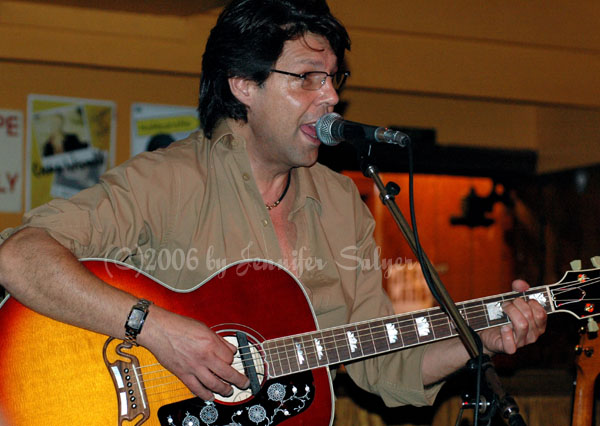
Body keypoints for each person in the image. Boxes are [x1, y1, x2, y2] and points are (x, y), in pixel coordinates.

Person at [0, 0, 546, 415]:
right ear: (243, 85)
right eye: (307, 77)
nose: (330, 96)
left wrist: (478, 340)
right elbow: (20, 257)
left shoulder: (340, 203)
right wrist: (156, 329)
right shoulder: (167, 181)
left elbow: (380, 362)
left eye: (334, 78)